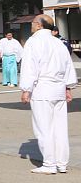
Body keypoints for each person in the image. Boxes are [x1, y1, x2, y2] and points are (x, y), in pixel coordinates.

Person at [20, 14, 78, 175]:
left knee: (44, 128)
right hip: (58, 88)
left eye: (33, 22)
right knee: (60, 128)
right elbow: (68, 66)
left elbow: (30, 67)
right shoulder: (58, 42)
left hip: (42, 88)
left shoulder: (34, 41)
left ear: (39, 25)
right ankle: (61, 163)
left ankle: (49, 163)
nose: (31, 25)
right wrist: (68, 87)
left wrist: (26, 89)